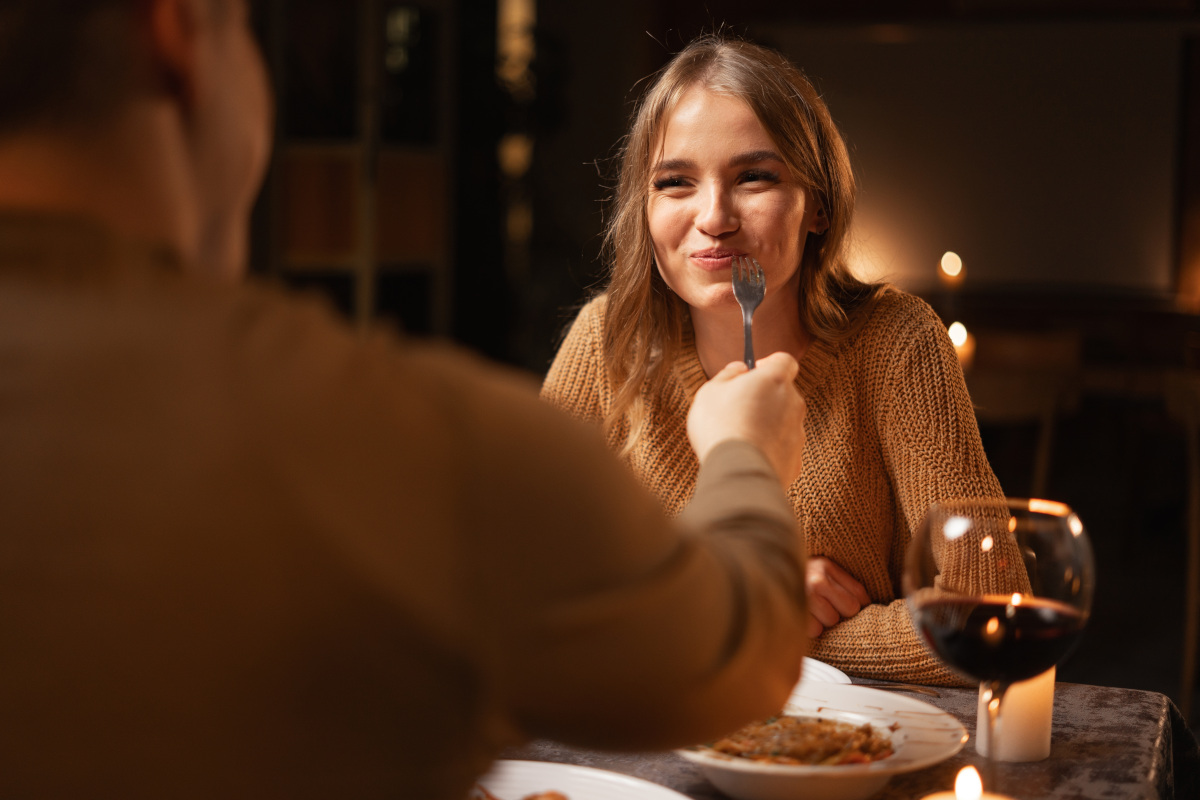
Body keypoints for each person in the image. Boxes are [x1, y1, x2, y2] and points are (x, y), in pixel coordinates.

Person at [0, 3, 812, 798]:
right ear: (174, 30)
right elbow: (728, 658)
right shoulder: (419, 448)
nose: (713, 214)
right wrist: (745, 458)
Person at [542, 35, 1005, 686]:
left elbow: (989, 621)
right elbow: (521, 602)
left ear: (817, 203)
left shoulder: (896, 342)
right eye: (674, 183)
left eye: (753, 176)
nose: (713, 217)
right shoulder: (605, 341)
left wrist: (793, 633)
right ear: (643, 208)